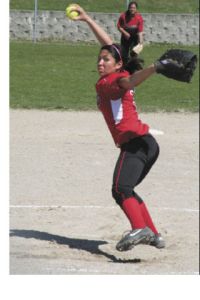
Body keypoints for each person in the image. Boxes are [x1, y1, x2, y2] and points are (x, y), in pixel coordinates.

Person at [72, 4, 165, 252]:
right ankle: (153, 234)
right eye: (99, 59)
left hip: (134, 143)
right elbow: (111, 46)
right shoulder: (118, 68)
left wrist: (154, 68)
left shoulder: (109, 82)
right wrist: (88, 19)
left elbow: (129, 81)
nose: (100, 62)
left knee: (120, 189)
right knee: (127, 190)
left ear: (116, 64)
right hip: (148, 144)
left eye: (105, 60)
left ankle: (141, 229)